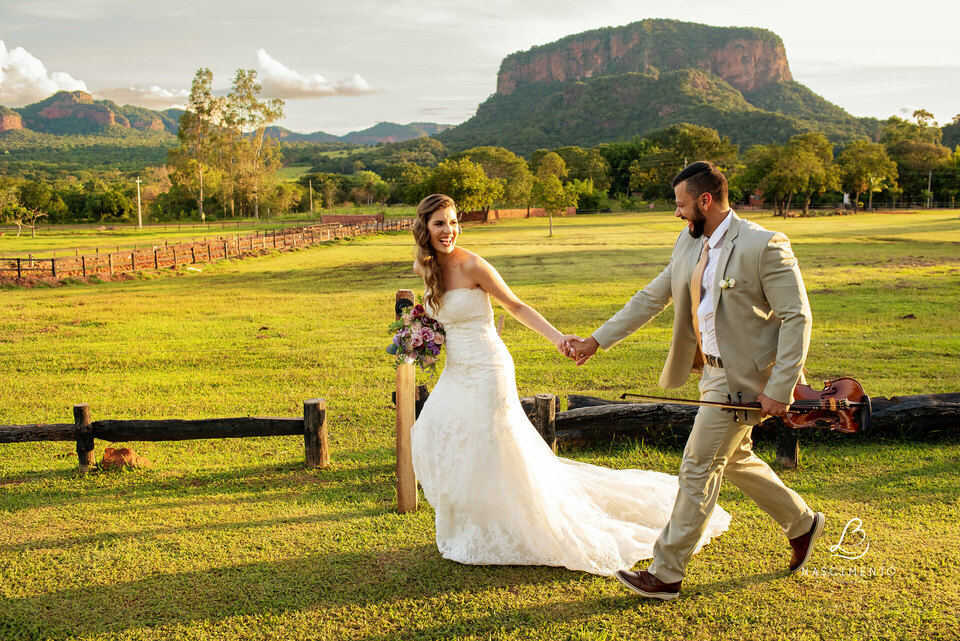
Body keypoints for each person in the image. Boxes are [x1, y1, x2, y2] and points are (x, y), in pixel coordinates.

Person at [408, 193, 731, 576]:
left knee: (493, 442)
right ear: (425, 228)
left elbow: (516, 306)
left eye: (454, 222)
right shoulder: (423, 267)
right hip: (455, 369)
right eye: (440, 223)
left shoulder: (473, 264)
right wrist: (416, 336)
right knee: (434, 427)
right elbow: (437, 319)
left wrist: (559, 338)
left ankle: (510, 522)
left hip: (487, 368)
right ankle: (473, 518)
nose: (450, 231)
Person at [566, 161, 824, 600]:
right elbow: (651, 297)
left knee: (697, 466)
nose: (677, 213)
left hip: (748, 380)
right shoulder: (687, 246)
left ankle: (666, 573)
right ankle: (802, 523)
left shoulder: (764, 245)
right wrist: (596, 341)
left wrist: (780, 389)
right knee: (736, 461)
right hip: (711, 375)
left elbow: (797, 317)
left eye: (682, 204)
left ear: (706, 201)